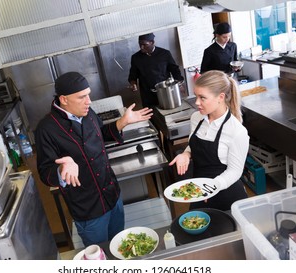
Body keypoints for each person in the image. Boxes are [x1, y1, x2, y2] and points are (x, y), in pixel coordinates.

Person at [35, 72, 153, 247]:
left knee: (121, 246)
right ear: (64, 99)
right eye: (82, 97)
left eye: (88, 95)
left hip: (112, 195)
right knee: (100, 255)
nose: (89, 101)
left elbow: (101, 134)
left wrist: (123, 122)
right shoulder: (46, 129)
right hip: (88, 207)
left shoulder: (88, 113)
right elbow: (45, 173)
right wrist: (61, 169)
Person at [169, 70, 249, 211]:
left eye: (202, 98)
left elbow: (235, 171)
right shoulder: (196, 118)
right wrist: (186, 154)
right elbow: (193, 145)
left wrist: (213, 186)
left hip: (226, 194)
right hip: (199, 190)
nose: (197, 102)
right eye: (196, 96)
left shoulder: (236, 131)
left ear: (221, 97)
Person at [128, 32, 185, 108]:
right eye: (140, 44)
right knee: (153, 116)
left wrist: (179, 84)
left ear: (152, 42)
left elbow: (174, 70)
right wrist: (133, 84)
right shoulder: (136, 58)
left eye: (145, 45)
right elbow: (133, 75)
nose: (141, 47)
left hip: (165, 91)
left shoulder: (164, 54)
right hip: (147, 95)